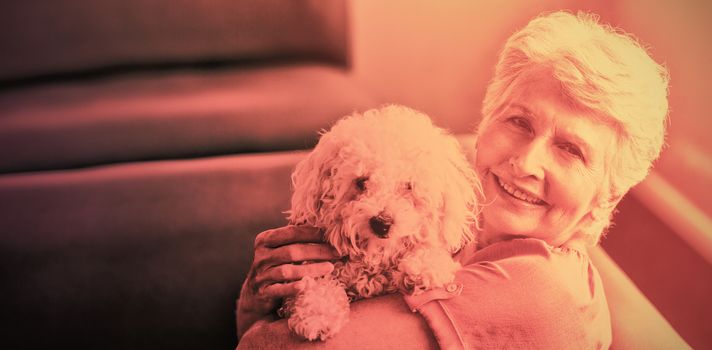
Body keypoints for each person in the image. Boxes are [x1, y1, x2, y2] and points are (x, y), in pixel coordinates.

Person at [236, 10, 670, 349]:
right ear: (486, 120)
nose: (525, 163)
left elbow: (266, 347)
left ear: (610, 194)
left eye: (571, 149)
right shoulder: (474, 208)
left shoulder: (538, 296)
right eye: (518, 121)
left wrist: (250, 313)